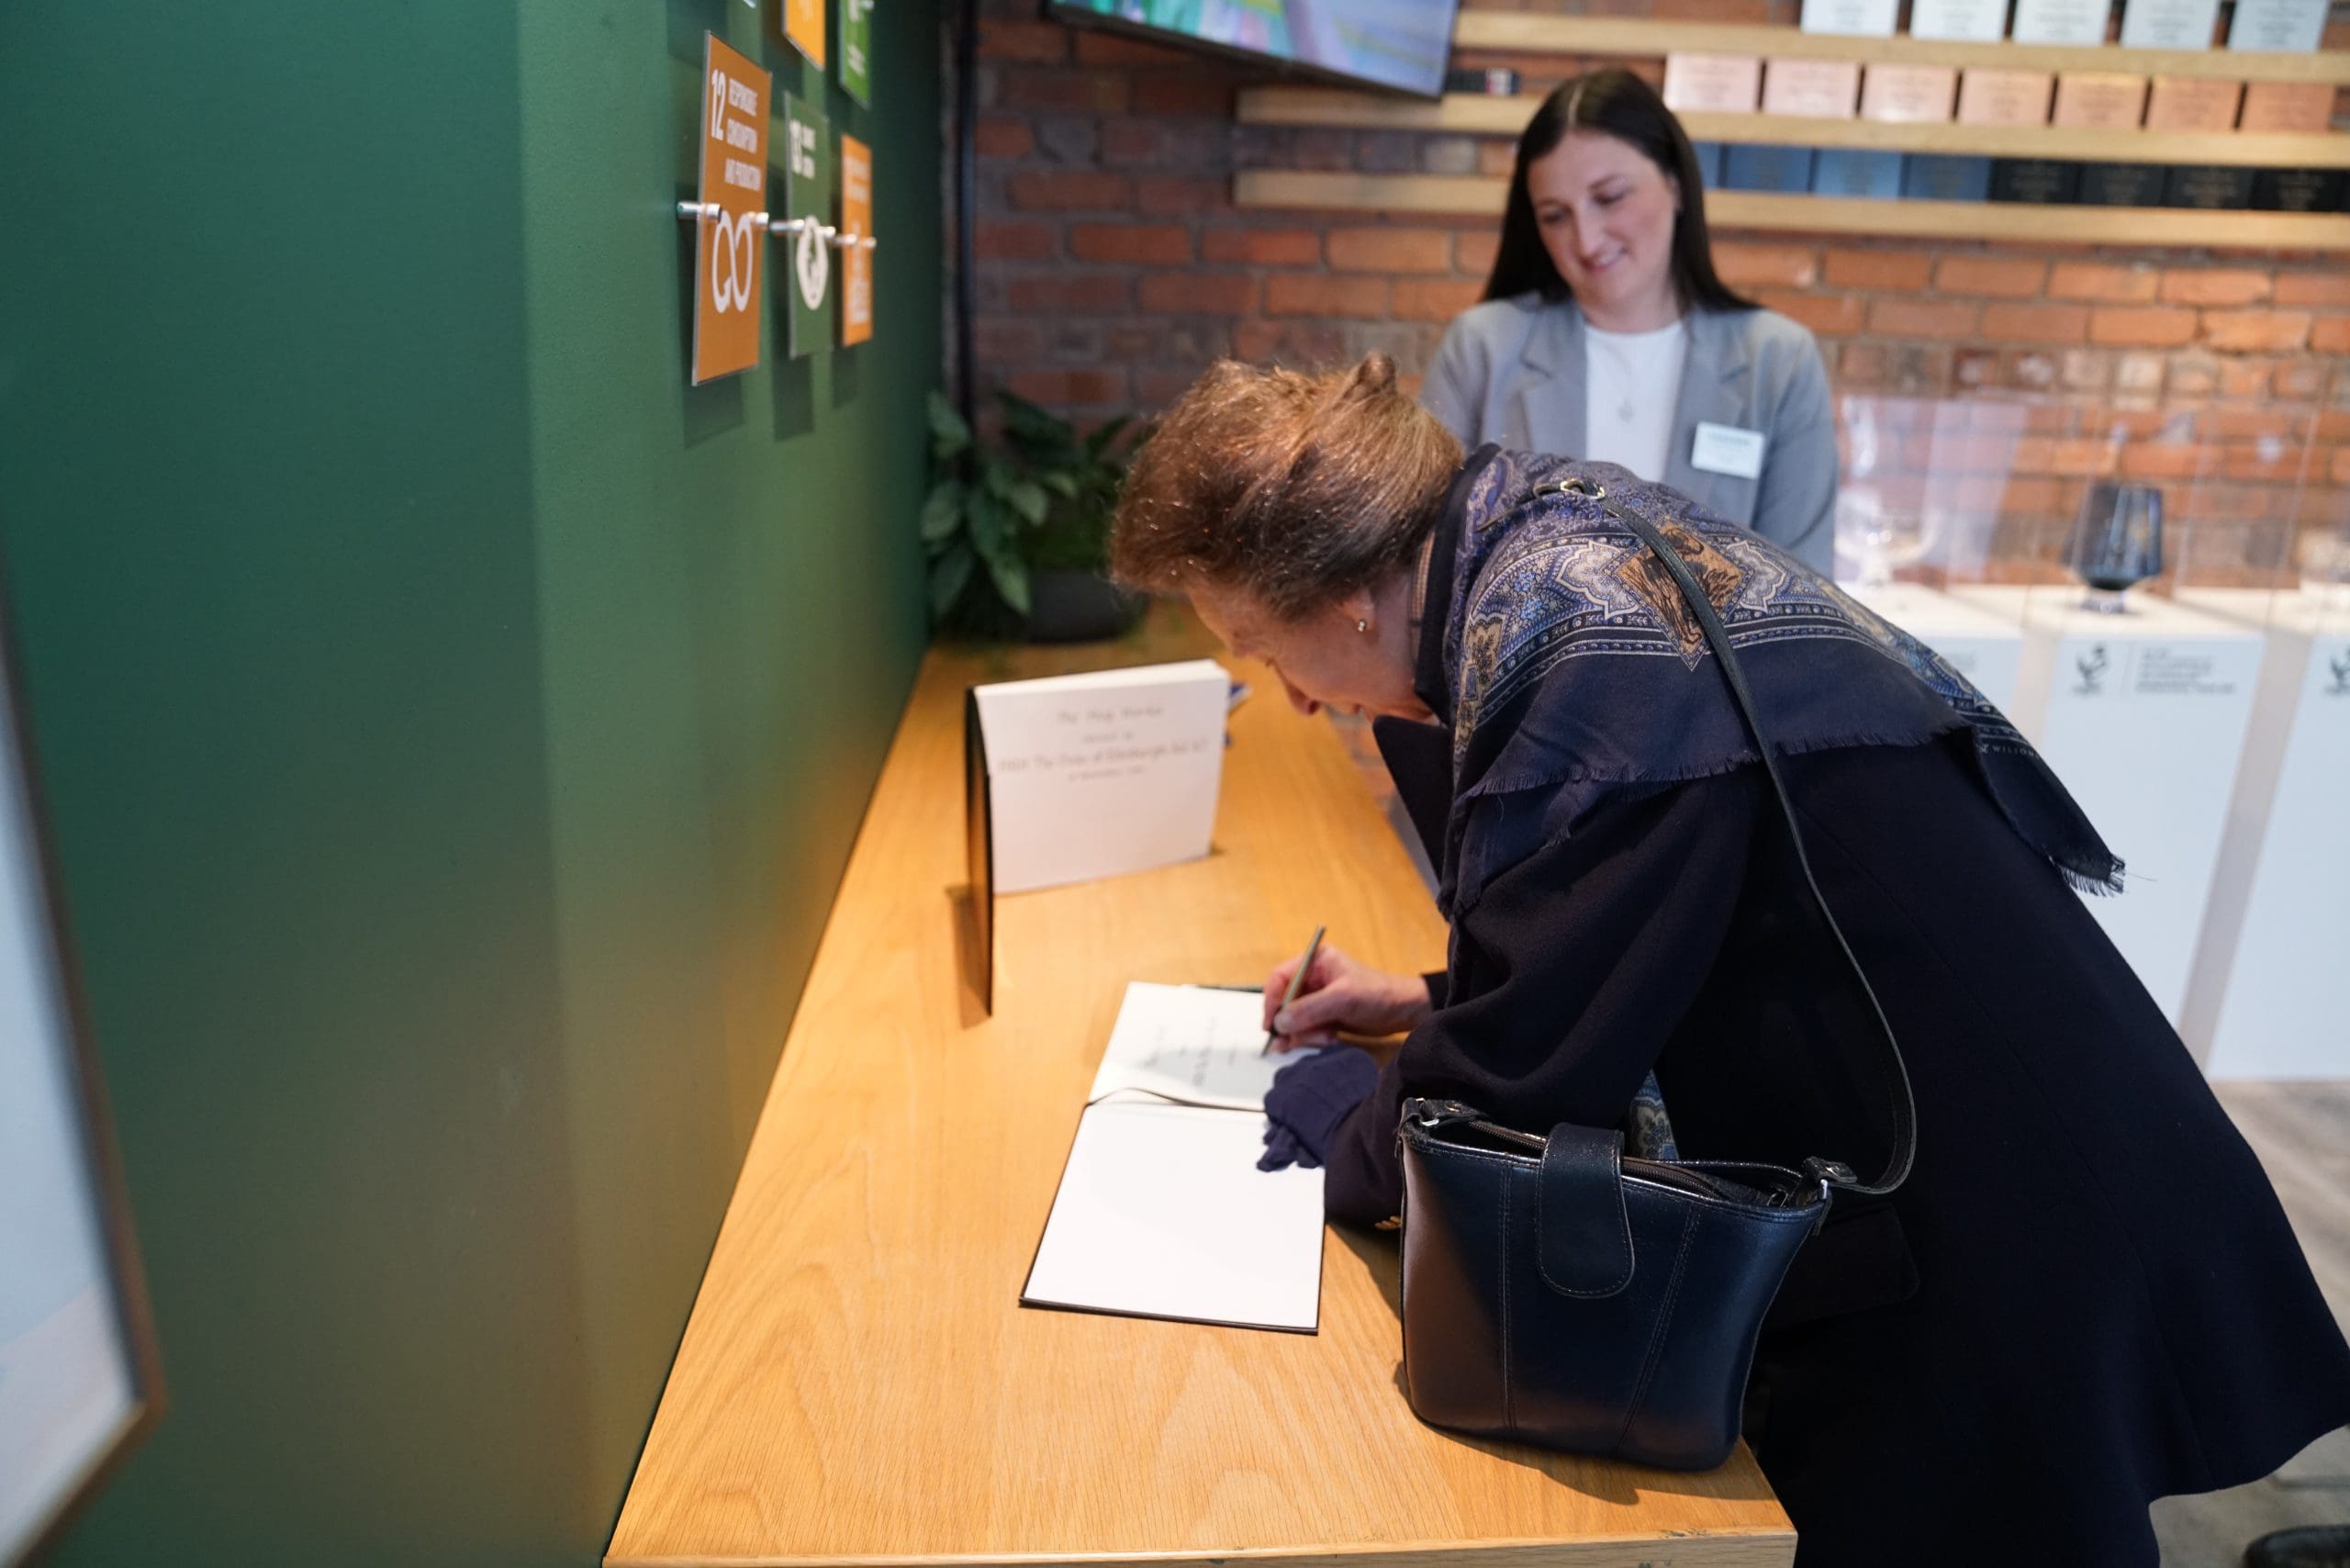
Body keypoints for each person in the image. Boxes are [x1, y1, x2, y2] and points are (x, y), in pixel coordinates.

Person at [1107, 353, 2350, 1565]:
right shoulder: (1535, 538)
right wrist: (1426, 996)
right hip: (1972, 1093)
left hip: (1988, 1179)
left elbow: (1520, 1072)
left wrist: (1343, 1121)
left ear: (1346, 599)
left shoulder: (1574, 648)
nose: (1290, 694)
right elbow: (1639, 926)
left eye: (1261, 644)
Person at [1422, 68, 1837, 574]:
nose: (1588, 240)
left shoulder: (1778, 362)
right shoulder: (1483, 347)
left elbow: (1807, 595)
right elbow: (1426, 570)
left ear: (1677, 183)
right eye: (1555, 216)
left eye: (1611, 197)